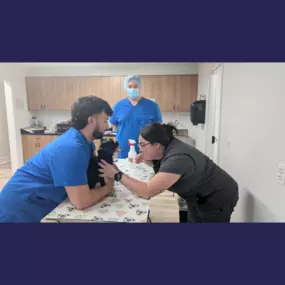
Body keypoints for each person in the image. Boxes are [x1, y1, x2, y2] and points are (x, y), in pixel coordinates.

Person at [0, 95, 114, 223]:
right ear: (91, 120)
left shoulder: (86, 142)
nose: (107, 126)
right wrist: (107, 188)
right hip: (20, 207)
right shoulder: (72, 148)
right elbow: (82, 202)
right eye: (105, 120)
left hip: (37, 200)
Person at [98, 123, 239, 223]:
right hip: (197, 196)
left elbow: (147, 191)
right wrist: (149, 159)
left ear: (157, 144)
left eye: (143, 144)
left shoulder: (178, 158)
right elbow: (163, 163)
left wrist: (117, 174)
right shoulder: (169, 146)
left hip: (218, 195)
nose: (140, 148)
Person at [109, 75, 162, 159]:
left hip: (146, 150)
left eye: (135, 86)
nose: (132, 89)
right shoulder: (119, 105)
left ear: (140, 87)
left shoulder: (152, 106)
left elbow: (158, 127)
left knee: (146, 171)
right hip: (124, 150)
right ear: (126, 88)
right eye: (129, 86)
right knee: (124, 171)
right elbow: (114, 125)